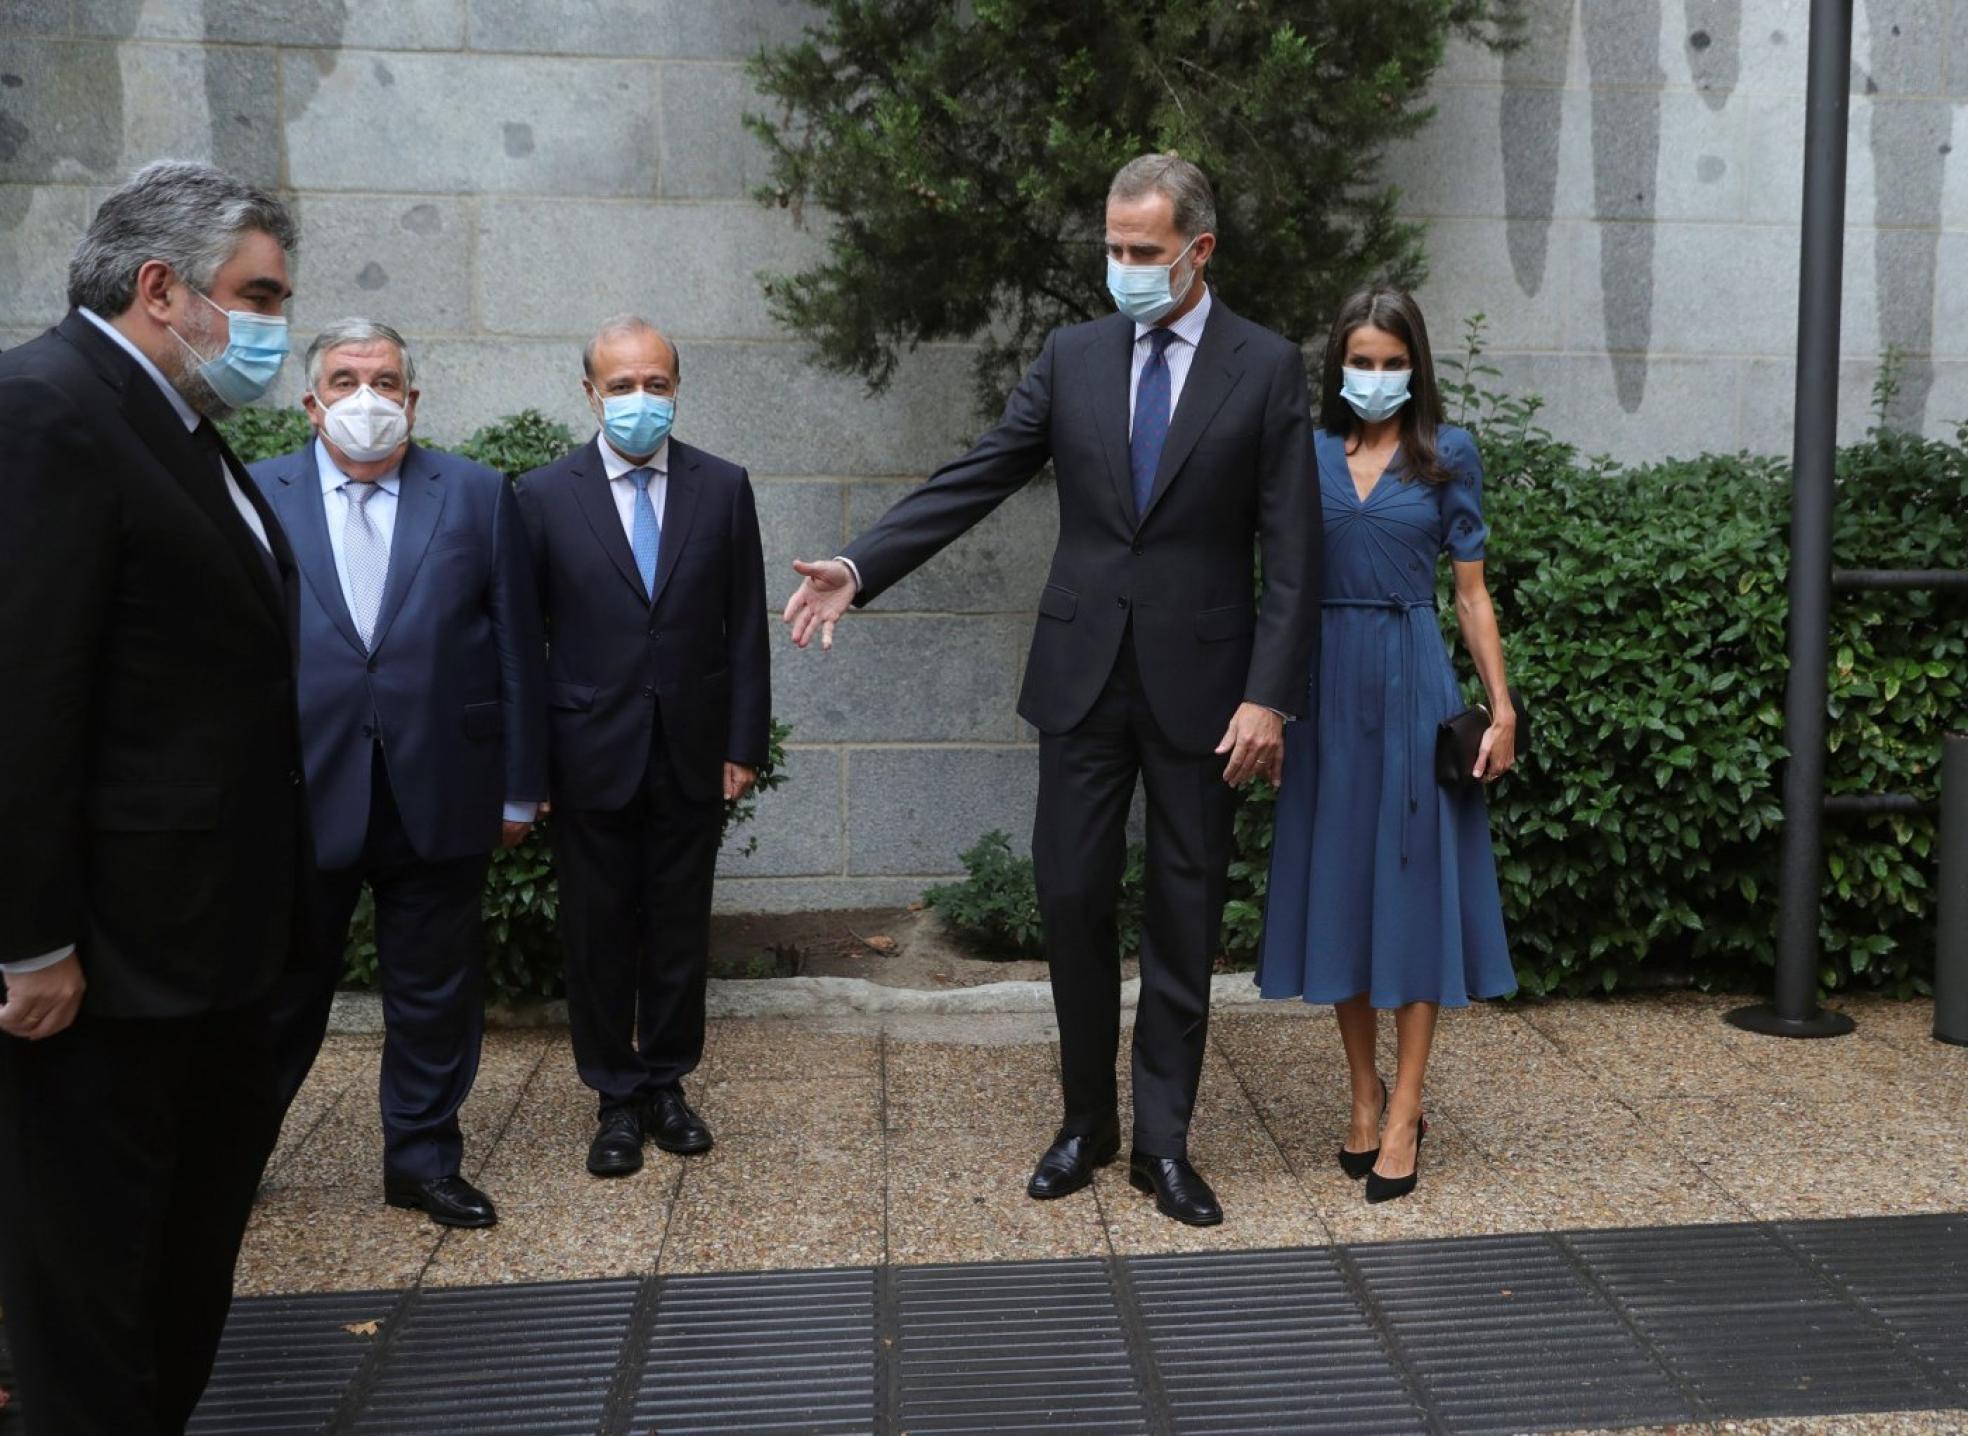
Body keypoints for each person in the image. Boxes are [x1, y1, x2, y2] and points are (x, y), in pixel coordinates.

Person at [783, 154, 1319, 1227]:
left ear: (1198, 251)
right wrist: (861, 564)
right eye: (1112, 249)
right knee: (1071, 898)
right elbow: (981, 470)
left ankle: (1162, 1141)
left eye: (1143, 253)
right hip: (1080, 679)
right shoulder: (1074, 355)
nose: (1121, 269)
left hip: (1207, 688)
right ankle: (1087, 1119)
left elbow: (1295, 547)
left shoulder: (1263, 366)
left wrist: (1270, 694)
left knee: (1184, 907)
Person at [0, 160, 308, 1434]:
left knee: (177, 1271)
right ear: (162, 285)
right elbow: (24, 695)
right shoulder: (45, 408)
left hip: (213, 952)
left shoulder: (177, 423)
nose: (274, 327)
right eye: (261, 294)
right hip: (108, 965)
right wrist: (33, 937)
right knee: (90, 1294)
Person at [249, 319, 547, 1229]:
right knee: (278, 991)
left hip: (443, 787)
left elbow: (516, 652)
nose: (366, 399)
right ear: (311, 401)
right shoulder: (258, 496)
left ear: (413, 401)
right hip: (303, 791)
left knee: (434, 992)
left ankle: (421, 1161)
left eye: (385, 382)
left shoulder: (478, 493)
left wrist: (519, 786)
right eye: (345, 380)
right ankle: (232, 1158)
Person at [1256, 286, 1519, 1204]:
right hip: (1325, 694)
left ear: (1417, 364)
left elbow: (1472, 594)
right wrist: (1274, 706)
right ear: (1339, 368)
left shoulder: (1449, 455)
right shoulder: (1307, 453)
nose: (1375, 378)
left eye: (1390, 362)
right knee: (1342, 891)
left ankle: (1406, 1108)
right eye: (1359, 363)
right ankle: (1362, 1093)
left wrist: (1503, 707)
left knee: (1409, 896)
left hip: (1412, 686)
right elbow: (1281, 589)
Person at [516, 316, 770, 1177]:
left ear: (676, 389)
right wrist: (529, 766)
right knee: (596, 930)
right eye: (620, 386)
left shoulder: (724, 487)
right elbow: (524, 642)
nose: (638, 400)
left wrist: (744, 743)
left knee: (676, 926)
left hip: (692, 749)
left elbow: (744, 631)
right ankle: (613, 1096)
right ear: (590, 394)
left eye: (654, 384)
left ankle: (666, 1083)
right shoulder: (543, 496)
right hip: (587, 751)